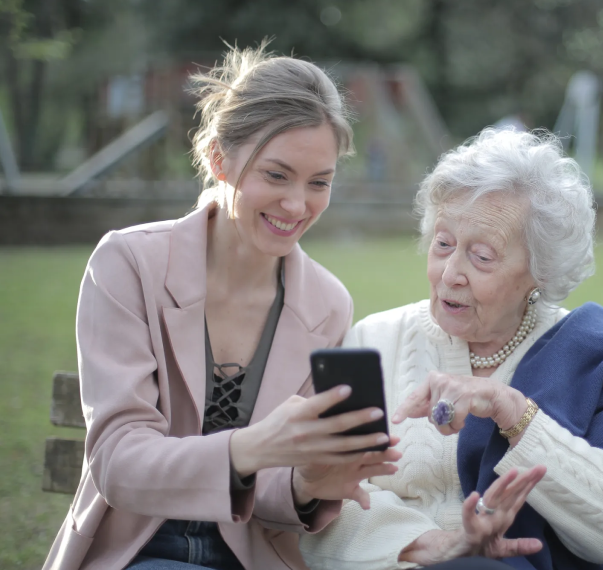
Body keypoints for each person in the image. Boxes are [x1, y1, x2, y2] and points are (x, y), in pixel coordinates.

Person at [43, 45, 403, 570]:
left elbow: (276, 493)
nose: (298, 205)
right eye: (276, 175)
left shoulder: (327, 304)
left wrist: (307, 482)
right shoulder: (129, 264)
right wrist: (250, 447)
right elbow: (118, 463)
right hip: (135, 551)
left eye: (319, 182)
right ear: (219, 159)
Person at [300, 129, 603, 570]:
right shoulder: (375, 340)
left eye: (481, 256)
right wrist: (431, 544)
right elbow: (319, 500)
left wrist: (513, 412)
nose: (451, 273)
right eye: (443, 244)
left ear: (541, 270)